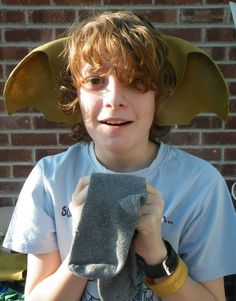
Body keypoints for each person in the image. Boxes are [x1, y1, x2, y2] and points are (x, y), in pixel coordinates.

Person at [3, 11, 236, 301]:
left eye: (136, 80)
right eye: (96, 80)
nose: (114, 98)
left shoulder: (201, 186)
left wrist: (158, 258)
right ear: (76, 93)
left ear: (159, 94)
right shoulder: (49, 179)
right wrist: (87, 247)